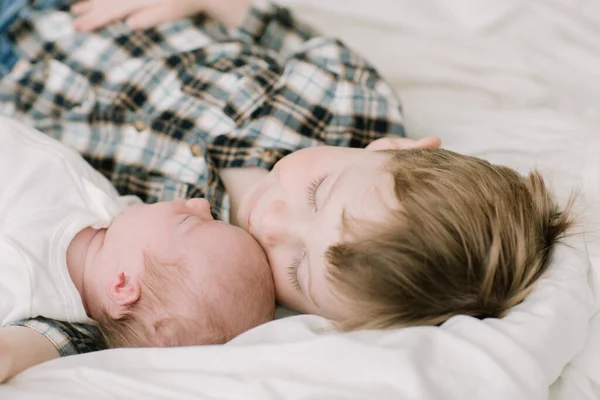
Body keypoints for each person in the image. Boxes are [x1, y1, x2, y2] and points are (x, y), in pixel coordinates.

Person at [0, 0, 572, 382]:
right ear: (396, 149)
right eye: (319, 193)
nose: (272, 222)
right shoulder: (350, 100)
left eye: (298, 269)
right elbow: (272, 28)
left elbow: (95, 306)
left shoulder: (198, 266)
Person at [0, 116, 274, 378]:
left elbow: (13, 352)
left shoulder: (29, 286)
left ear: (122, 285)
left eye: (189, 220)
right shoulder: (118, 218)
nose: (201, 203)